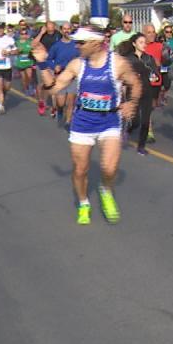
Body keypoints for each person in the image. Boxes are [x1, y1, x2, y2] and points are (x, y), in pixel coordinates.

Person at [42, 26, 141, 225]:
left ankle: (106, 190)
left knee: (109, 169)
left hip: (109, 121)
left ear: (96, 43)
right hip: (83, 123)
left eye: (81, 43)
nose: (77, 46)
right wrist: (42, 64)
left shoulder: (118, 63)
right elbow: (53, 89)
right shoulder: (77, 64)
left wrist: (131, 103)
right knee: (80, 170)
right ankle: (83, 203)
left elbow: (136, 83)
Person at [126, 33, 161, 155]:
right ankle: (128, 129)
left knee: (146, 121)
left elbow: (156, 74)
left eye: (144, 42)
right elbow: (123, 75)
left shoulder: (149, 58)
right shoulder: (129, 59)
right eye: (140, 42)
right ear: (134, 44)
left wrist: (154, 77)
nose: (144, 44)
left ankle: (141, 146)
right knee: (135, 120)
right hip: (133, 92)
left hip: (147, 91)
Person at [14, 21, 38, 99]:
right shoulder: (16, 42)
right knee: (24, 78)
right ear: (19, 35)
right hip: (21, 62)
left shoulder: (30, 41)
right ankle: (26, 89)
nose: (23, 35)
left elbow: (35, 48)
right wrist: (17, 51)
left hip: (29, 62)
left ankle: (31, 88)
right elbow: (13, 51)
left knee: (30, 76)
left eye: (25, 34)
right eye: (22, 34)